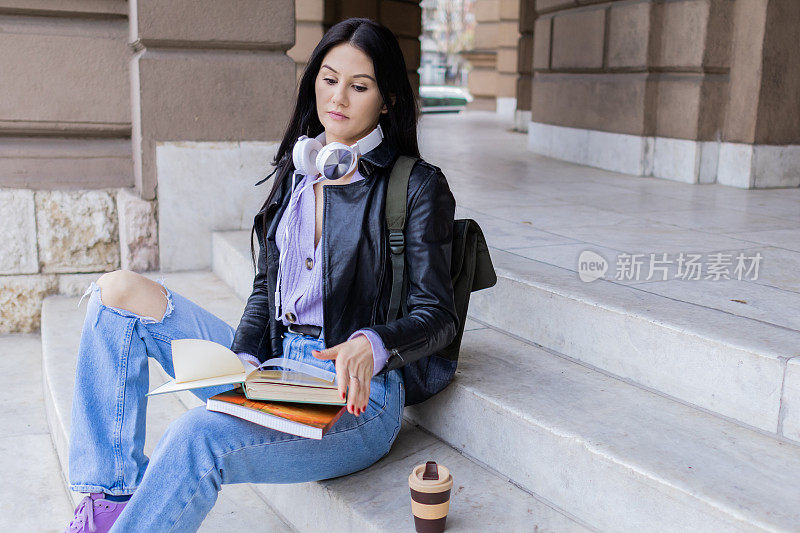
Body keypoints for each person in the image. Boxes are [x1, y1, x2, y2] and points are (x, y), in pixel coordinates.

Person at [63, 17, 458, 533]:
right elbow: (263, 290)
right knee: (117, 293)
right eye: (328, 78)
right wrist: (244, 359)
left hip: (355, 397)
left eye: (359, 87)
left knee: (194, 436)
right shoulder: (300, 170)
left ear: (385, 100)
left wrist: (372, 344)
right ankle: (108, 506)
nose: (337, 97)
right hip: (274, 370)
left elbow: (438, 315)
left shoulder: (417, 186)